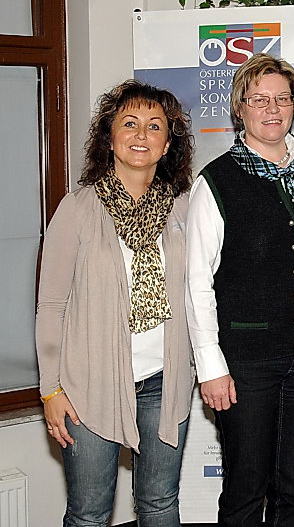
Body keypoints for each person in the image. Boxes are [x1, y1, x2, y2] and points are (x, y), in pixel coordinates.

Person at [185, 53, 294, 526]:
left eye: (282, 98)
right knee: (245, 489)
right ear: (240, 108)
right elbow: (197, 281)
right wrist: (211, 367)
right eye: (259, 99)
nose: (272, 109)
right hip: (246, 362)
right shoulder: (216, 182)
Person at [36, 80, 194, 526]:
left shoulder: (185, 209)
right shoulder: (78, 208)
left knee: (160, 504)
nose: (141, 135)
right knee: (89, 513)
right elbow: (51, 306)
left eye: (154, 126)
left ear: (167, 145)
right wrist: (50, 390)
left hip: (165, 382)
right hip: (87, 385)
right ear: (110, 138)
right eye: (130, 124)